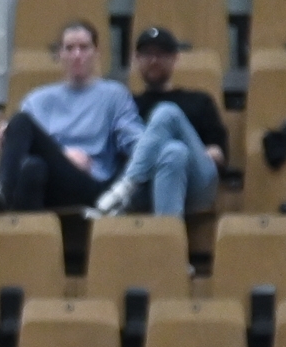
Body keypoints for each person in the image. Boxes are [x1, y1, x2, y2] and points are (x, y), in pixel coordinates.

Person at [0, 21, 143, 213]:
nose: (77, 55)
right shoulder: (38, 99)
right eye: (69, 48)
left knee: (21, 122)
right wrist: (64, 155)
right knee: (31, 164)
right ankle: (13, 212)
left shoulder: (114, 95)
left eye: (84, 47)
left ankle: (3, 192)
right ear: (60, 54)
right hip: (49, 182)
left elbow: (136, 142)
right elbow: (18, 144)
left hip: (91, 180)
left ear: (96, 53)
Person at [96, 26, 228, 219]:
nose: (154, 61)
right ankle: (167, 234)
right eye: (147, 54)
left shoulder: (199, 100)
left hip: (196, 182)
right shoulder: (128, 105)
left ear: (175, 58)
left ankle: (126, 186)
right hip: (146, 188)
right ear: (136, 59)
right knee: (174, 152)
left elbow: (218, 154)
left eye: (161, 54)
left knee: (167, 113)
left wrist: (187, 152)